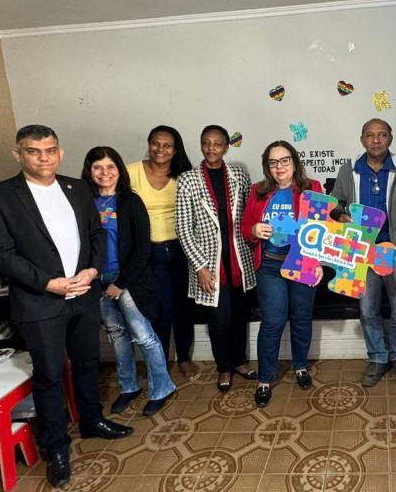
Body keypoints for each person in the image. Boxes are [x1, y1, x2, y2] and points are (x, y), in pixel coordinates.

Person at [0, 125, 132, 489]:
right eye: (34, 151)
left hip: (84, 293)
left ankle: (91, 421)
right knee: (48, 375)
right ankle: (56, 447)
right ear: (18, 155)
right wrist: (47, 282)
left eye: (50, 150)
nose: (43, 158)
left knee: (88, 362)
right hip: (40, 301)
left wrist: (92, 270)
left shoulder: (77, 188)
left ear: (60, 153)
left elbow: (96, 234)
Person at [331, 118, 396, 387]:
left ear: (390, 138)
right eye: (370, 135)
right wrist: (340, 217)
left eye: (382, 134)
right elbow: (335, 206)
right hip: (362, 255)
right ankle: (377, 358)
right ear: (362, 139)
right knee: (367, 310)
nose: (376, 140)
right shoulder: (350, 169)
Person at [83, 146, 175, 417]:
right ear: (89, 171)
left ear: (119, 170)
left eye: (110, 167)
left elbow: (142, 248)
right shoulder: (84, 203)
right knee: (116, 335)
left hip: (127, 281)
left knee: (143, 336)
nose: (104, 173)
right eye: (98, 167)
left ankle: (162, 388)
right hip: (96, 280)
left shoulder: (130, 201)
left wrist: (120, 283)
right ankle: (129, 387)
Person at [241, 141, 324, 407]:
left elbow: (322, 229)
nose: (279, 167)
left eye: (284, 160)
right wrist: (254, 230)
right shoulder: (258, 191)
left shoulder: (312, 188)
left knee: (301, 318)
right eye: (273, 162)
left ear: (294, 162)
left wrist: (317, 261)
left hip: (303, 263)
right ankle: (264, 380)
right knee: (273, 322)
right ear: (267, 166)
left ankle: (300, 366)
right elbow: (244, 226)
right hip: (270, 267)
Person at [175, 124, 257, 392]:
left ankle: (240, 361)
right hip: (210, 262)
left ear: (226, 147)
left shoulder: (238, 174)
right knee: (219, 319)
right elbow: (183, 228)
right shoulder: (188, 180)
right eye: (206, 143)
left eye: (217, 143)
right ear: (201, 145)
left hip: (239, 258)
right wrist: (199, 267)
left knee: (239, 314)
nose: (211, 148)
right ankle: (224, 366)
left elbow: (249, 213)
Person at [126, 125, 198, 378]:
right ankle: (161, 360)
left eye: (167, 145)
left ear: (175, 150)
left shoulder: (184, 176)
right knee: (161, 310)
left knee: (184, 308)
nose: (160, 149)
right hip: (148, 252)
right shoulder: (131, 172)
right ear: (149, 144)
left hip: (181, 250)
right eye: (156, 143)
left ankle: (184, 358)